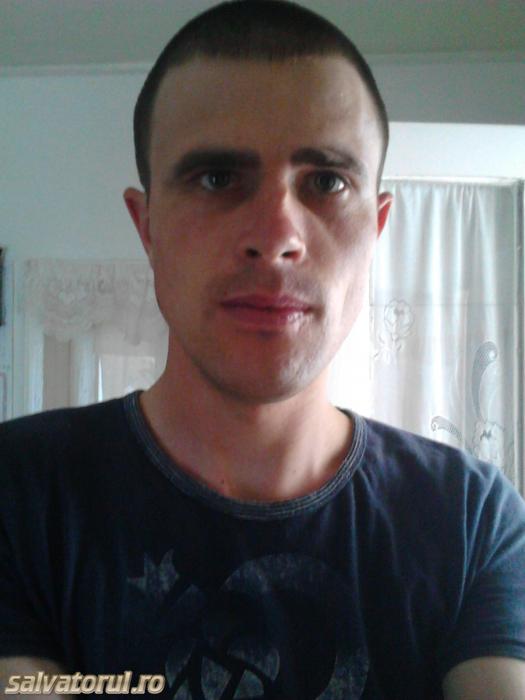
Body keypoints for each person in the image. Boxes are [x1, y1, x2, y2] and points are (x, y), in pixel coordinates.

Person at [1, 1, 525, 698]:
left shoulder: (471, 519)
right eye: (217, 178)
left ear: (376, 229)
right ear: (147, 226)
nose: (277, 236)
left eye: (326, 182)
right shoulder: (17, 492)